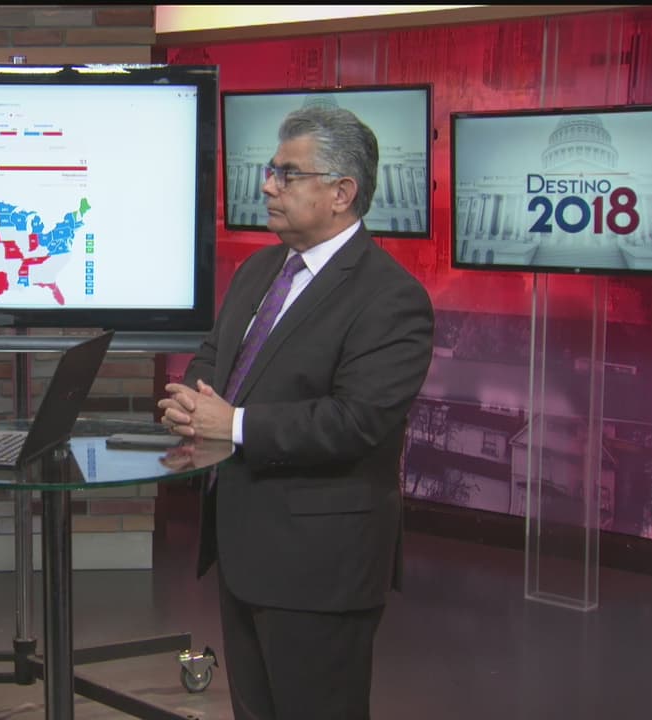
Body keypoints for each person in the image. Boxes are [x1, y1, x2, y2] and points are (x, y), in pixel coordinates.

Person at [158, 105, 434, 719]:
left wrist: (231, 424)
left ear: (341, 193)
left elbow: (357, 420)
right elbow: (215, 355)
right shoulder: (261, 269)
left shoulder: (391, 297)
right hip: (243, 550)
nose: (267, 186)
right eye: (270, 169)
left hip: (320, 565)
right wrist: (192, 401)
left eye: (287, 173)